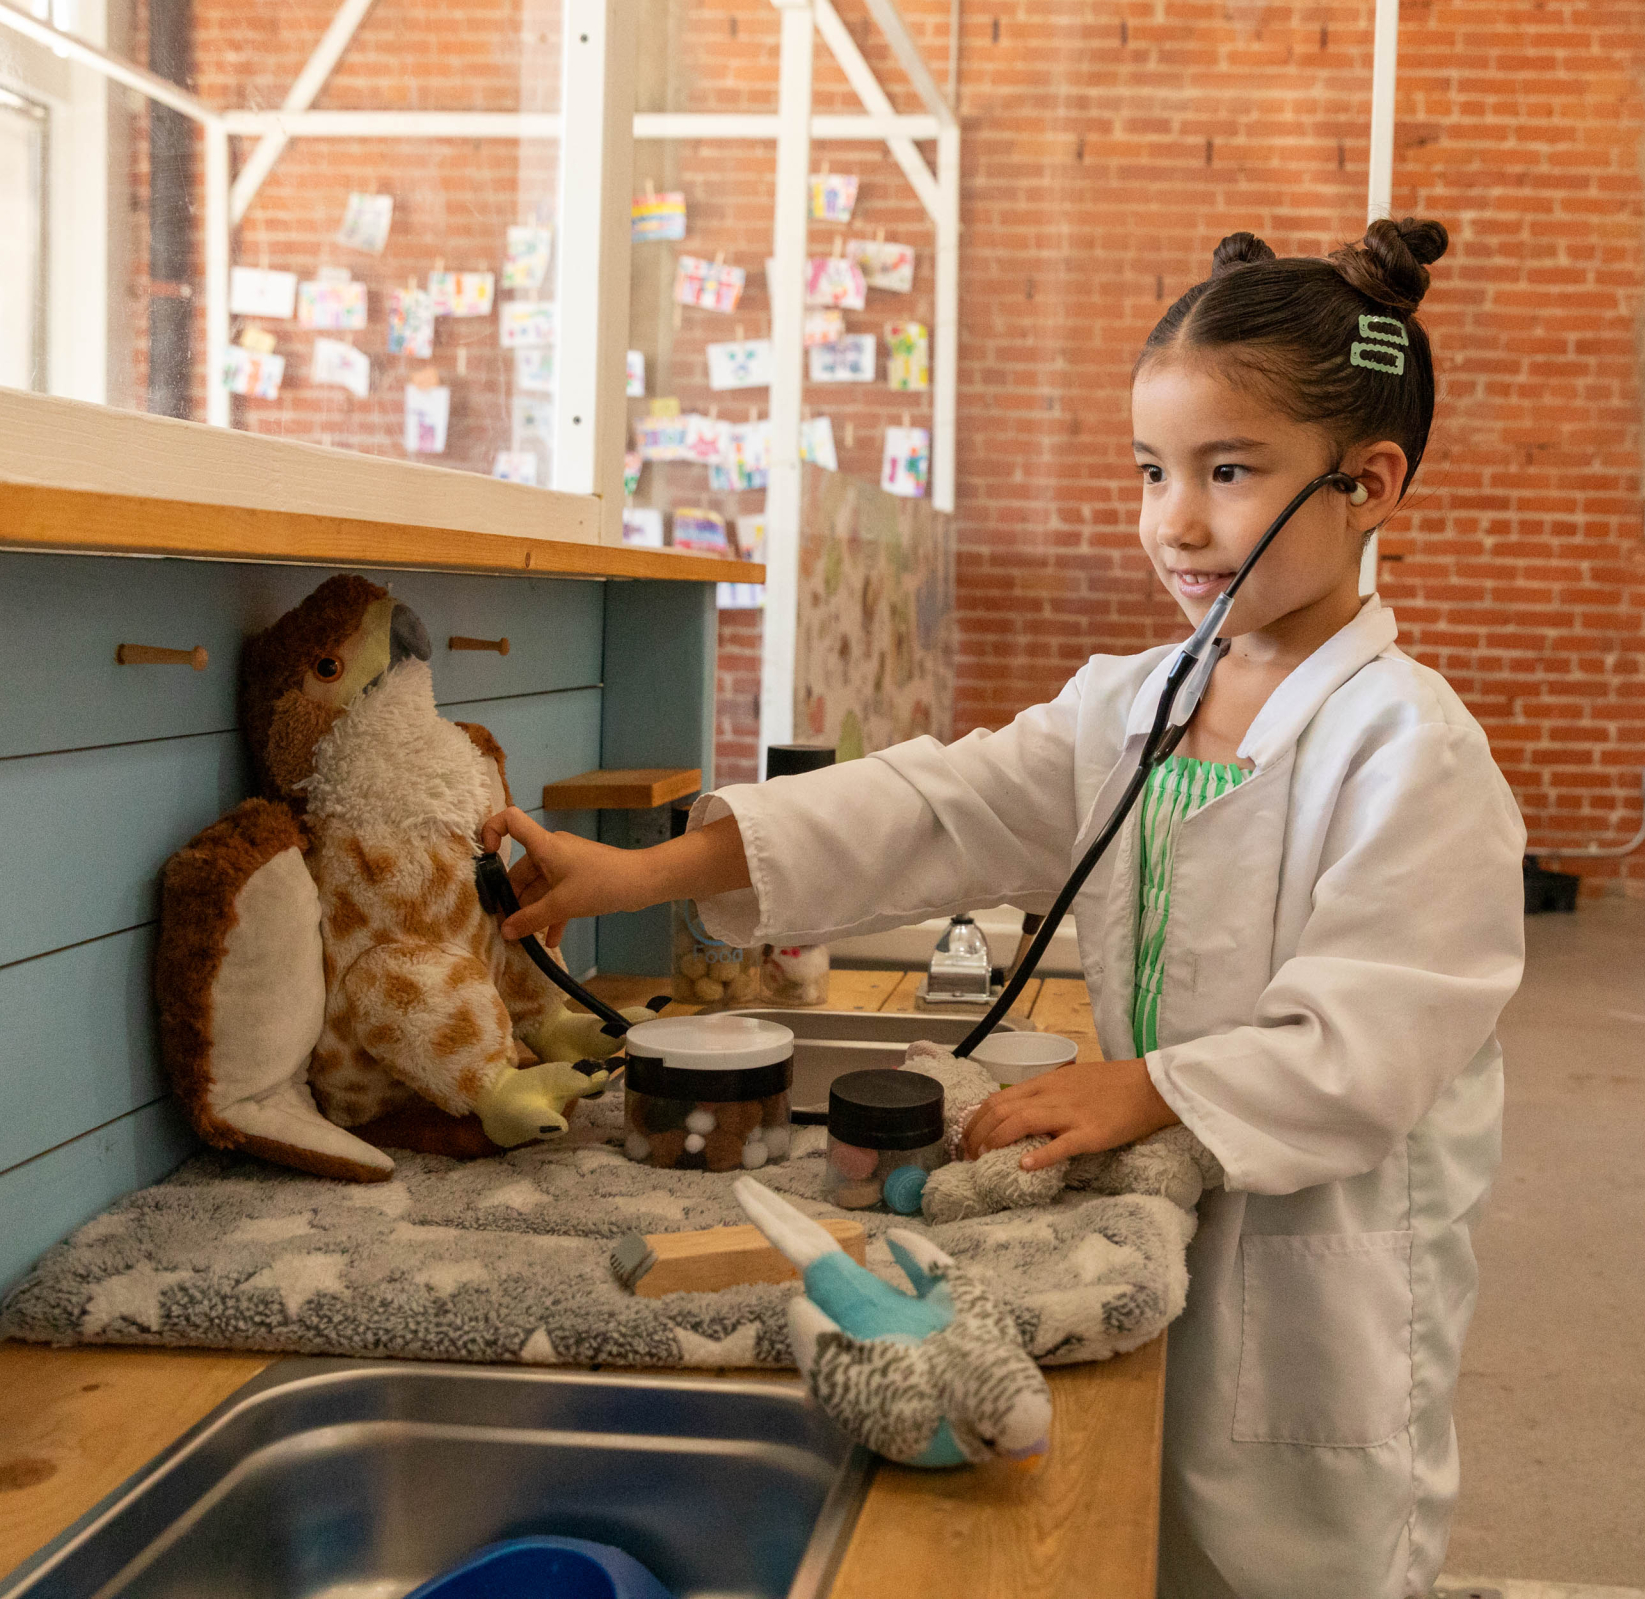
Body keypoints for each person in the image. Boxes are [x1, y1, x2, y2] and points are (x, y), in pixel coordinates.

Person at [484, 216, 1527, 1599]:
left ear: (1369, 482)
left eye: (1228, 472)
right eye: (1152, 471)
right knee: (1148, 1527)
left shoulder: (1410, 750)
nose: (1175, 521)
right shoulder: (1134, 702)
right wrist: (634, 874)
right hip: (1162, 1198)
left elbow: (1372, 1045)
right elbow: (933, 806)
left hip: (1320, 1263)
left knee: (1300, 1557)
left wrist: (1138, 1086)